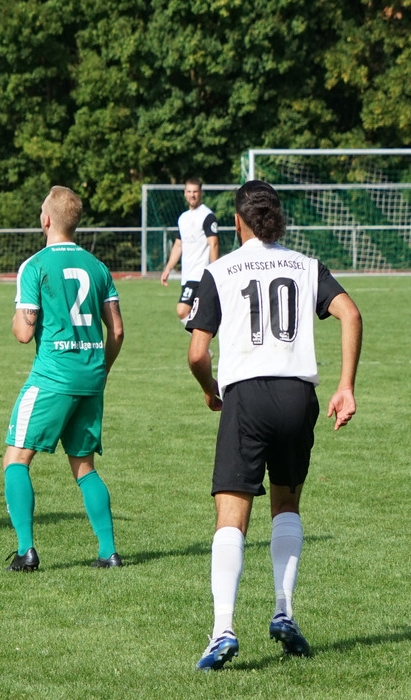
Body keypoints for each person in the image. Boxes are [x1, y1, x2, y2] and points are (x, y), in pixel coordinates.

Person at [186, 180, 362, 670]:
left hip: (247, 396)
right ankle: (283, 611)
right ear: (277, 219)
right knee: (286, 503)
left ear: (239, 222)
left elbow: (198, 352)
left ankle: (223, 628)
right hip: (297, 396)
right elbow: (350, 313)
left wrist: (209, 388)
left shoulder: (219, 270)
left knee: (231, 513)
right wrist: (345, 385)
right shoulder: (306, 266)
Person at [2, 186, 125, 573]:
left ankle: (26, 551)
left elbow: (24, 334)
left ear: (46, 219)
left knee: (16, 458)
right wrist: (100, 371)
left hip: (52, 376)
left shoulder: (35, 266)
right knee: (83, 466)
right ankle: (109, 552)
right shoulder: (98, 267)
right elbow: (117, 331)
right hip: (90, 378)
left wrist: (18, 316)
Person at [161, 178, 220, 323]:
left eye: (195, 192)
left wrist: (215, 272)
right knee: (198, 314)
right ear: (184, 193)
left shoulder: (207, 215)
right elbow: (178, 245)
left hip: (200, 274)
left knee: (183, 311)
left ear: (201, 193)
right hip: (187, 275)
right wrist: (168, 269)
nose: (192, 195)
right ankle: (202, 345)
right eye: (189, 191)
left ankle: (201, 345)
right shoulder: (183, 218)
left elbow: (213, 243)